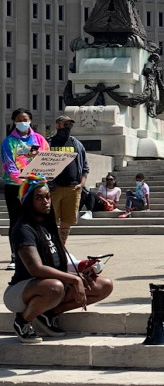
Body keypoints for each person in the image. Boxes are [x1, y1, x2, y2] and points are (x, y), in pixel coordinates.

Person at [4, 174, 113, 343]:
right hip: (22, 290)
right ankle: (23, 321)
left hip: (51, 287)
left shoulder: (48, 226)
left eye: (48, 197)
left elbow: (60, 260)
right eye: (39, 198)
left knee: (104, 285)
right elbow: (36, 269)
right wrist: (75, 280)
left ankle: (49, 314)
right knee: (55, 287)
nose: (46, 201)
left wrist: (83, 267)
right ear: (27, 201)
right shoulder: (23, 229)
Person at [2, 109, 50, 270]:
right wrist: (24, 179)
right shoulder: (9, 142)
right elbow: (9, 165)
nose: (22, 122)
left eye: (25, 119)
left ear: (30, 120)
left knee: (40, 219)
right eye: (18, 119)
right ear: (14, 122)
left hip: (38, 186)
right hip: (16, 187)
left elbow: (47, 160)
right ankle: (16, 256)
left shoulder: (39, 139)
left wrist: (41, 177)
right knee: (17, 222)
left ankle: (42, 254)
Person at [47, 115, 89, 246]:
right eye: (65, 124)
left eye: (70, 125)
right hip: (53, 188)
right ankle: (50, 246)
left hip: (73, 188)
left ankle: (61, 246)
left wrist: (81, 184)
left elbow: (85, 167)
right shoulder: (48, 143)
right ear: (57, 125)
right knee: (50, 220)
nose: (68, 128)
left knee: (67, 221)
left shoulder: (76, 144)